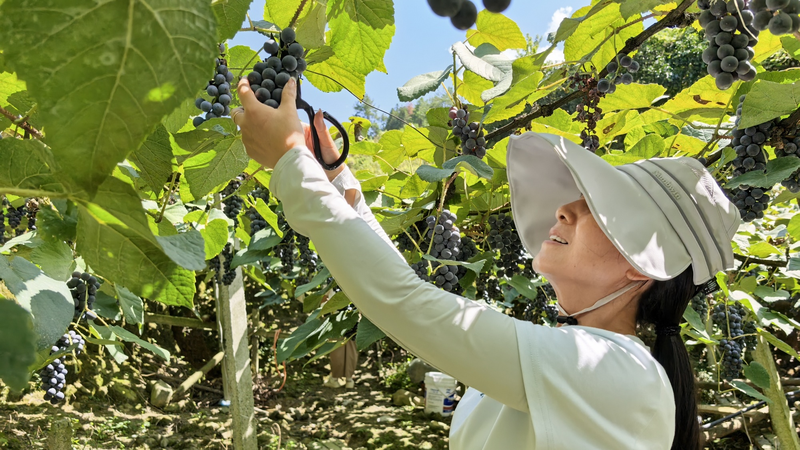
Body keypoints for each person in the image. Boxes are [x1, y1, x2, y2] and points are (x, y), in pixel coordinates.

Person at [231, 77, 740, 450]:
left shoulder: (616, 370)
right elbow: (413, 299)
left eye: (598, 210)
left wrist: (293, 163)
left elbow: (408, 304)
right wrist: (337, 182)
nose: (565, 210)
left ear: (641, 266)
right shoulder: (569, 355)